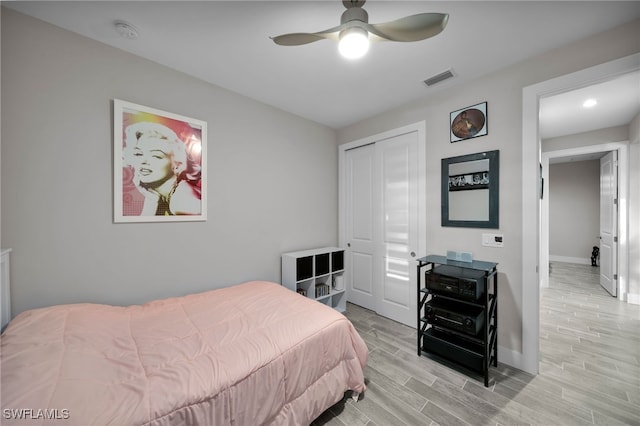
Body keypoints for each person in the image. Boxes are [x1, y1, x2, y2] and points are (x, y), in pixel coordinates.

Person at [123, 122, 201, 216]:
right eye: (139, 154)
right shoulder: (174, 192)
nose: (143, 161)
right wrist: (152, 199)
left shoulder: (179, 203)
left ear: (178, 165)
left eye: (156, 156)